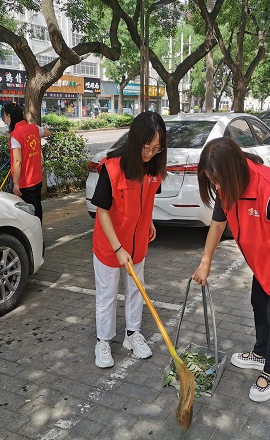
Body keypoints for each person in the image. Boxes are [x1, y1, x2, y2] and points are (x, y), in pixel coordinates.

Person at [191, 137, 270, 402]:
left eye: (218, 181)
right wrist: (206, 262)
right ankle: (261, 353)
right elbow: (217, 225)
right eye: (212, 182)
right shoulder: (228, 186)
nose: (217, 188)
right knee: (258, 304)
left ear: (233, 170)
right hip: (265, 263)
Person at [91, 111, 167, 368]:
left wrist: (149, 222)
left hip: (137, 246)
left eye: (157, 148)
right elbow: (102, 212)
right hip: (110, 246)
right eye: (146, 147)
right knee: (108, 295)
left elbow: (145, 201)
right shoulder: (112, 167)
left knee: (136, 290)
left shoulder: (154, 168)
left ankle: (132, 334)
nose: (150, 154)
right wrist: (118, 248)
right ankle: (103, 340)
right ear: (135, 141)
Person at [2, 103, 51, 223]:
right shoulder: (34, 128)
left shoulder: (16, 135)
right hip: (37, 178)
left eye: (4, 117)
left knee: (26, 212)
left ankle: (33, 238)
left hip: (24, 182)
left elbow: (18, 161)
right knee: (37, 207)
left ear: (9, 116)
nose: (5, 120)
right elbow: (48, 133)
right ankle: (39, 234)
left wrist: (16, 183)